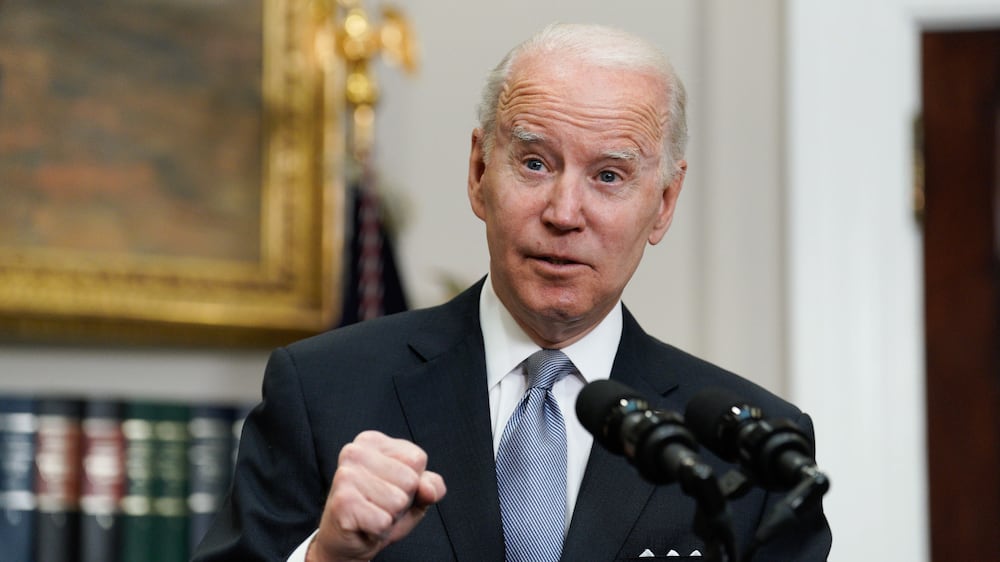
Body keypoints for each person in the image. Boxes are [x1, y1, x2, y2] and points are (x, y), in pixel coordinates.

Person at [194, 22, 832, 562]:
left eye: (609, 175)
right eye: (535, 163)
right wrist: (326, 555)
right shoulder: (322, 391)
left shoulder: (754, 453)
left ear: (663, 204)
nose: (564, 212)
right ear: (478, 173)